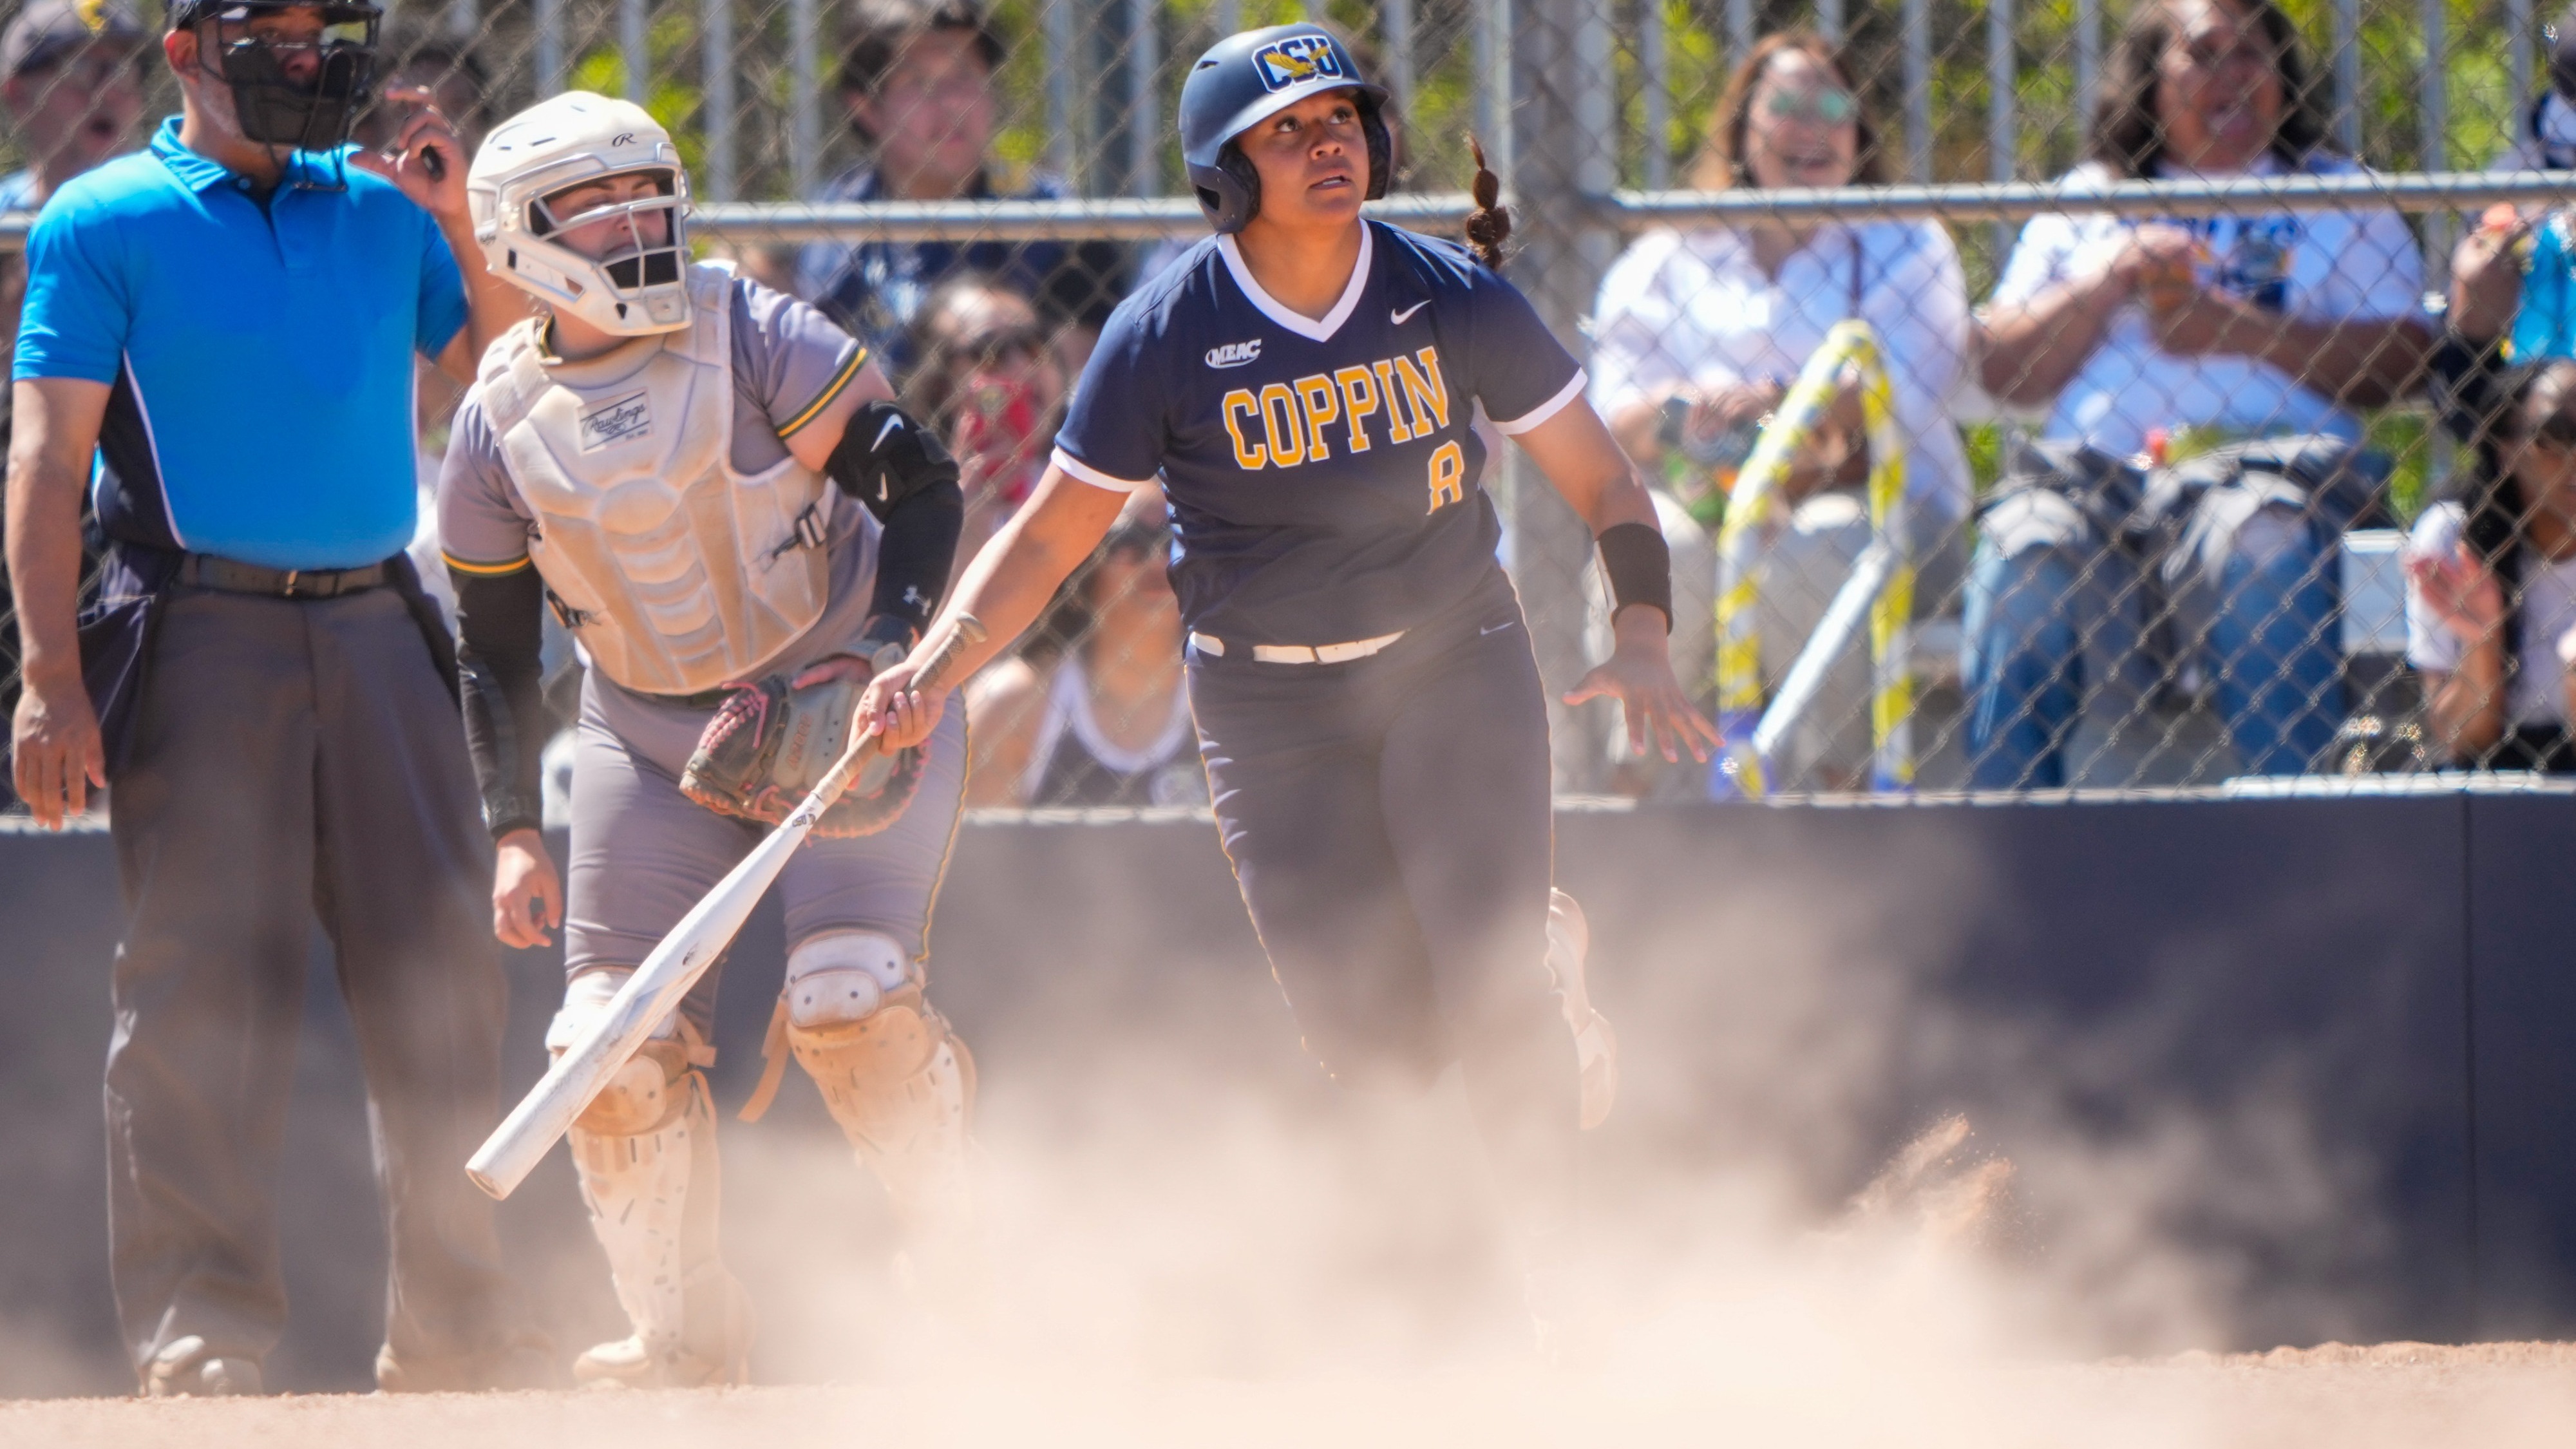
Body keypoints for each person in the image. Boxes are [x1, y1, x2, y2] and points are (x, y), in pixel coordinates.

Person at [855, 23, 1715, 1348]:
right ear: (1221, 174)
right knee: (1365, 1033)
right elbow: (1045, 539)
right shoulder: (1165, 332)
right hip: (1267, 710)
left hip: (1450, 666)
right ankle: (1457, 1311)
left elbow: (1603, 481)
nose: (1326, 145)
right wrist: (927, 671)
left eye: (1341, 121)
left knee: (1484, 982)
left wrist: (1643, 633)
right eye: (1286, 131)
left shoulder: (1446, 296)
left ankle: (1557, 1307)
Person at [6, 0, 529, 1396]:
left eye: (327, 33)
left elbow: (509, 375)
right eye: (273, 36)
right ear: (185, 51)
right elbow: (48, 466)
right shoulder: (100, 219)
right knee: (197, 995)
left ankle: (456, 1332)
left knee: (444, 982)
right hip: (196, 631)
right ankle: (201, 1332)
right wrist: (52, 680)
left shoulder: (386, 211)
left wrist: (465, 226)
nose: (309, 61)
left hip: (379, 626)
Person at [441, 91, 977, 1388]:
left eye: (648, 190)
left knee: (845, 1000)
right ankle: (685, 1336)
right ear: (521, 237)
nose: (638, 221)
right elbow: (496, 652)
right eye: (597, 202)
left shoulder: (752, 332)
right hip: (648, 734)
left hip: (841, 696)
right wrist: (516, 828)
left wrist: (886, 648)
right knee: (602, 1045)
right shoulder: (495, 427)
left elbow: (918, 481)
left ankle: (966, 1263)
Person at [1969, 0, 2427, 786]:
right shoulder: (2091, 196)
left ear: (2283, 77)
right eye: (2204, 53)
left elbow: (2407, 360)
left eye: (2252, 53)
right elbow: (2003, 369)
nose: (2233, 75)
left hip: (2275, 478)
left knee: (2262, 543)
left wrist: (2235, 330)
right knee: (2021, 554)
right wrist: (2109, 279)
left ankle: (2301, 843)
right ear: (2151, 81)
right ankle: (2008, 854)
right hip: (2095, 490)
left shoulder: (2334, 192)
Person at [1589, 30, 1970, 792]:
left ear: (1860, 132)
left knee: (1815, 550)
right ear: (1739, 130)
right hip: (1704, 505)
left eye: (1834, 106)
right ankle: (1642, 805)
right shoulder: (1670, 253)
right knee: (1656, 548)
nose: (1813, 127)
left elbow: (1899, 388)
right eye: (1786, 107)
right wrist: (1693, 423)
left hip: (1875, 507)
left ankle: (1837, 801)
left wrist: (1780, 415)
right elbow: (1609, 412)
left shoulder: (1905, 242)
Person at [796, 0, 1127, 376]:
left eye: (965, 75)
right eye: (918, 82)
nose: (951, 102)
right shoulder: (823, 229)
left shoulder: (1053, 221)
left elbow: (1076, 383)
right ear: (866, 107)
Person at [964, 496, 1202, 808]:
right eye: (1130, 542)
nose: (1157, 559)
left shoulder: (1229, 697)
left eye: (1174, 541)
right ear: (1086, 563)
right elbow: (980, 853)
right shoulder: (1015, 703)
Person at [902, 271, 1070, 566]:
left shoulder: (1099, 475)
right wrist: (958, 522)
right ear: (942, 385)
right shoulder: (901, 501)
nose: (1022, 367)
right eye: (989, 351)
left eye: (1033, 344)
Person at [0, 0, 147, 211]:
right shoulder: (5, 216)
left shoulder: (183, 211)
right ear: (18, 95)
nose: (108, 91)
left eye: (122, 69)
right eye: (79, 68)